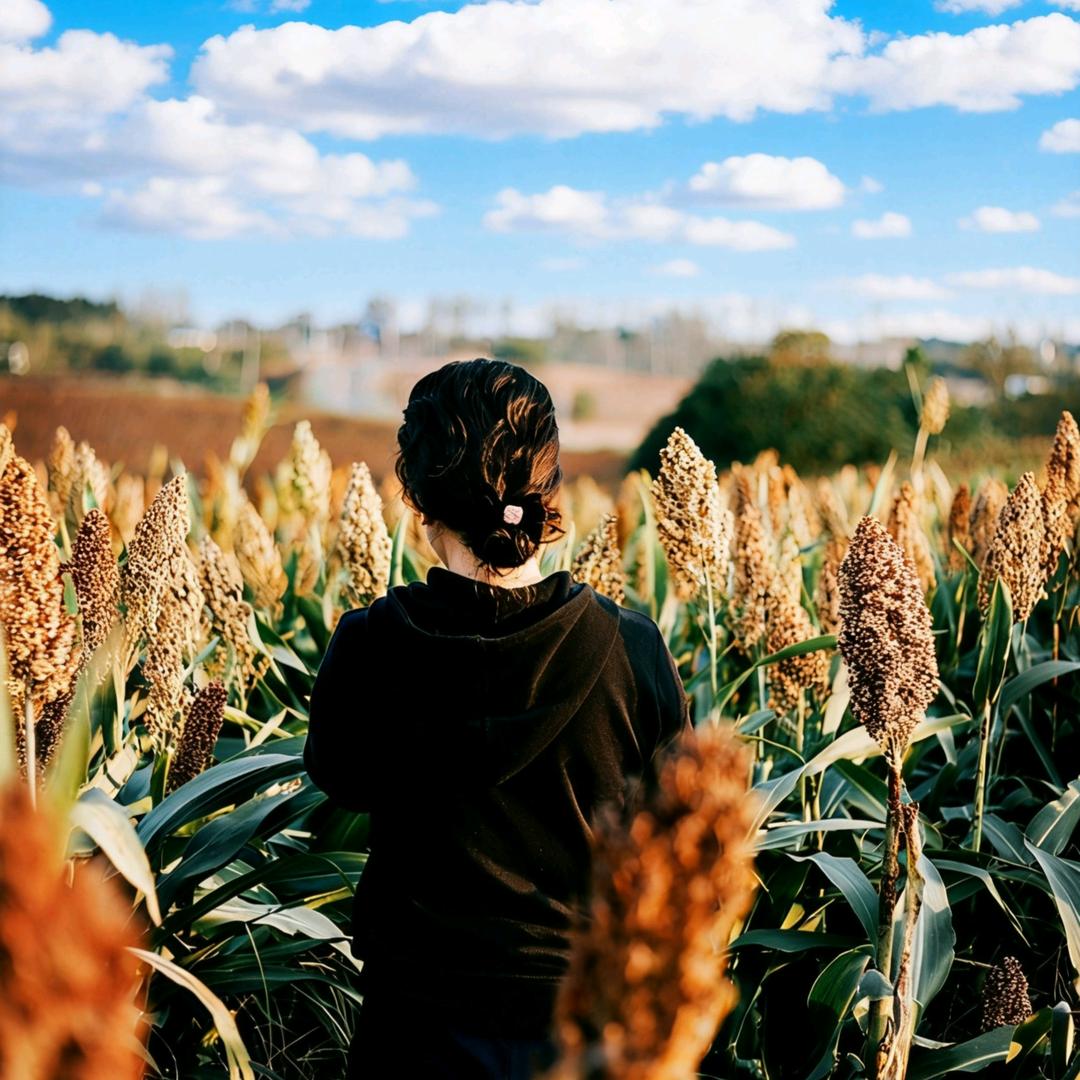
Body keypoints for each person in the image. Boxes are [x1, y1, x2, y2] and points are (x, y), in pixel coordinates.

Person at [303, 357, 692, 1079]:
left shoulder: (369, 644)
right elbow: (679, 827)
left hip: (412, 1028)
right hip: (580, 1033)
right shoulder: (631, 650)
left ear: (419, 499)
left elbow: (340, 778)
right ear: (547, 493)